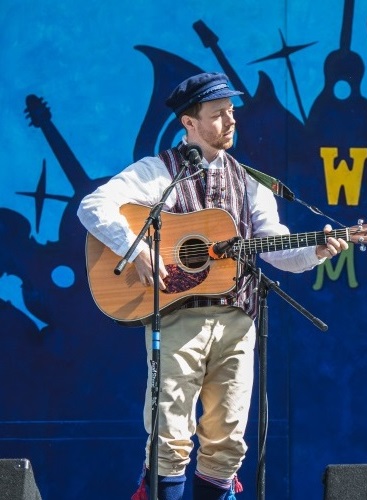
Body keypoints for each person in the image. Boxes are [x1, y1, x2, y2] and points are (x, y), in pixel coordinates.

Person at [77, 72, 348, 500]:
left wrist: (317, 250)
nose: (230, 121)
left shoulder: (252, 184)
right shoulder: (156, 173)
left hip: (237, 321)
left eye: (232, 113)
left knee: (227, 445)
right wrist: (137, 250)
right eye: (218, 115)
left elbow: (276, 250)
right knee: (169, 438)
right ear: (189, 123)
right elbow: (93, 206)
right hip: (177, 318)